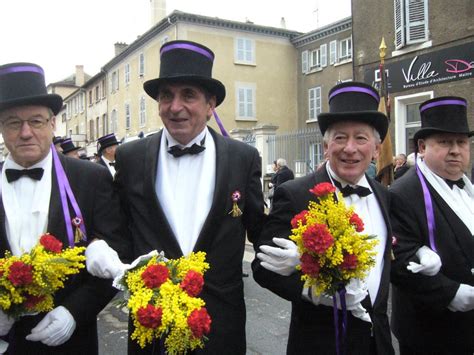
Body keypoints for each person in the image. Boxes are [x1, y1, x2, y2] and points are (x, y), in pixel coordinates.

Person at [86, 40, 265, 354]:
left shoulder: (243, 158)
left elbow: (260, 232)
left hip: (220, 327)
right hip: (151, 326)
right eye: (166, 95)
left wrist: (300, 259)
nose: (174, 106)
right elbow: (119, 231)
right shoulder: (130, 157)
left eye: (189, 95)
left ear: (211, 105)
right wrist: (99, 246)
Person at [252, 82, 394, 355]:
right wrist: (314, 288)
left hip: (378, 344)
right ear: (326, 146)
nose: (350, 148)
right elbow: (262, 266)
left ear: (376, 149)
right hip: (319, 344)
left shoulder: (384, 195)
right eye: (340, 138)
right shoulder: (294, 194)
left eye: (361, 138)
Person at [0, 62, 124, 354]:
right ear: (1, 127)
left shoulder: (89, 178)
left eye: (37, 121)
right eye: (14, 123)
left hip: (71, 341)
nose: (26, 132)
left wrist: (73, 313)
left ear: (53, 123)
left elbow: (118, 249)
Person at [390, 96, 474, 354]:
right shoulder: (402, 193)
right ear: (423, 147)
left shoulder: (468, 187)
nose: (455, 150)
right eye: (445, 142)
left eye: (461, 142)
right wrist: (449, 294)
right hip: (431, 333)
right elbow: (397, 260)